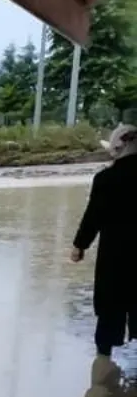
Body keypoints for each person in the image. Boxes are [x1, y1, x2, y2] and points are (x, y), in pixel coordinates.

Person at [71, 124, 137, 358]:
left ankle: (103, 362)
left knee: (110, 309)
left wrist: (80, 246)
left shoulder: (106, 179)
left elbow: (93, 216)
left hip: (115, 256)